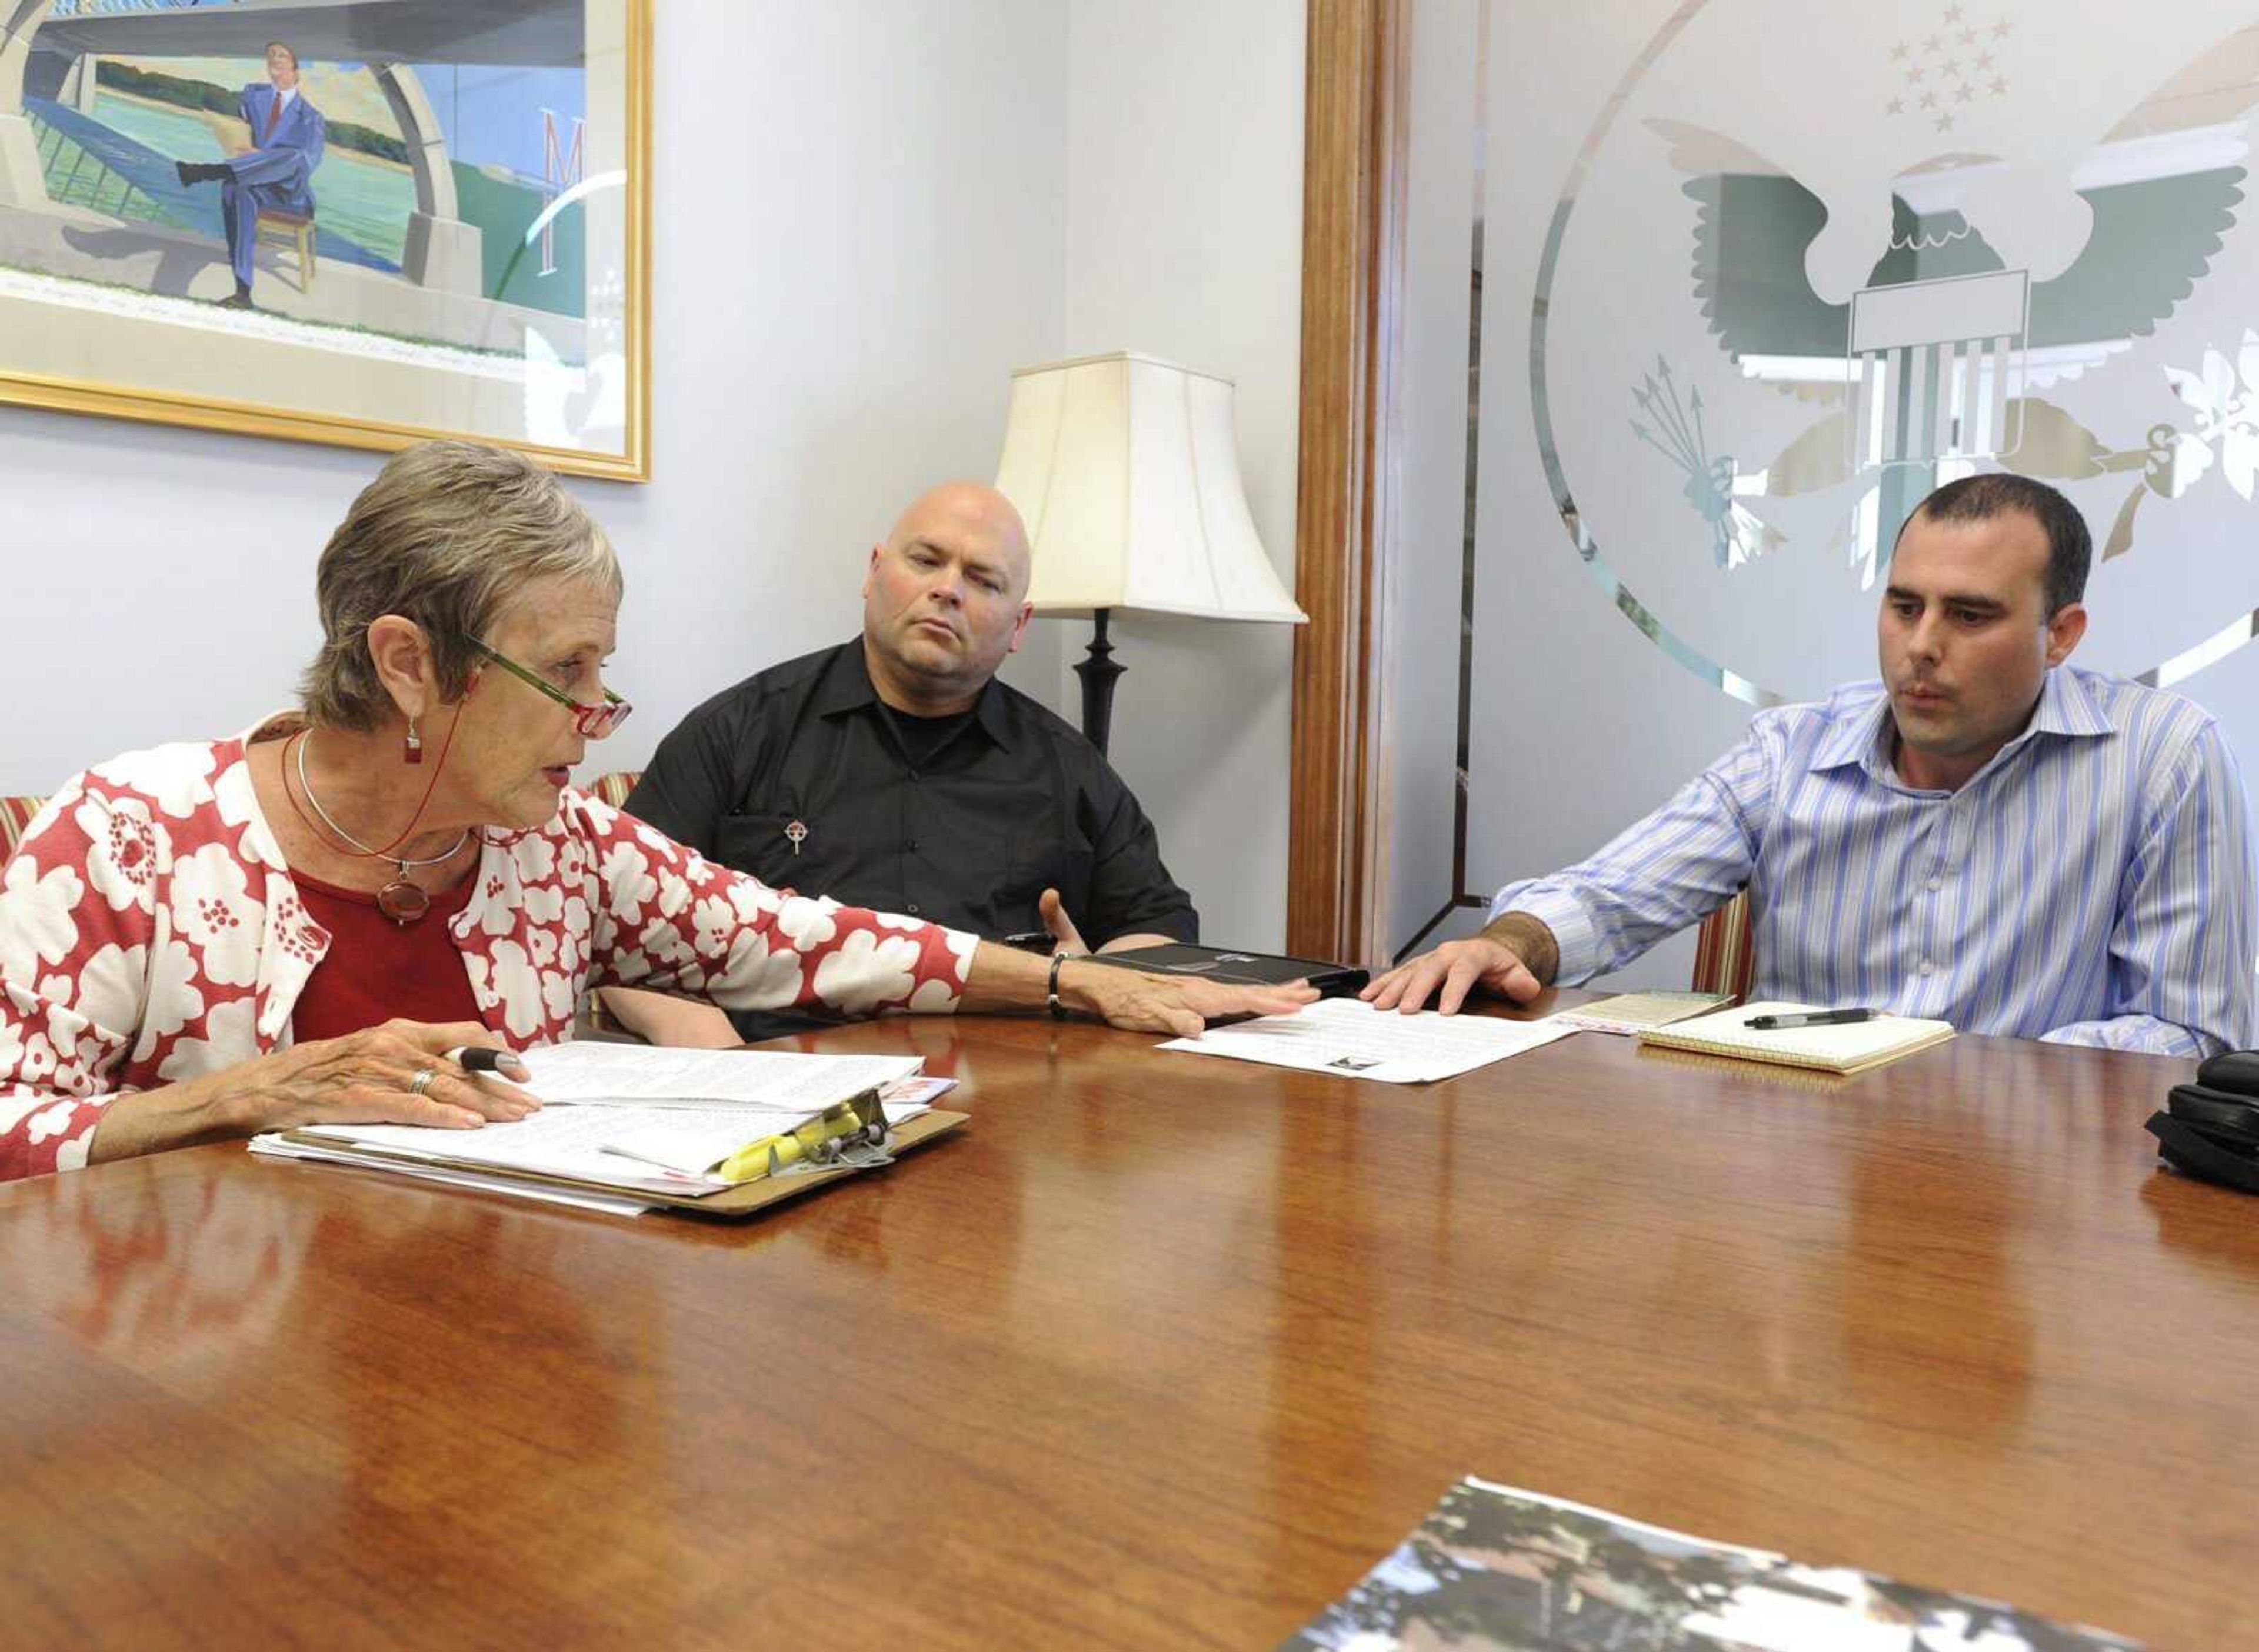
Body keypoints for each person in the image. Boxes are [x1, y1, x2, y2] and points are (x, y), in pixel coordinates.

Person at [0, 442, 1310, 1183]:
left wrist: (1076, 989)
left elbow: (805, 938)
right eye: (564, 671)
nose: (598, 712)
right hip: (206, 1420)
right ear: (407, 662)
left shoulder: (554, 847)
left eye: (603, 670)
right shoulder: (123, 841)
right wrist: (249, 1098)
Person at [1365, 473, 2257, 1056]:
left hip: (2037, 1190)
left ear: (2060, 636)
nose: (1922, 648)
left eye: (1970, 616)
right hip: (1796, 1168)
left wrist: (1951, 1075)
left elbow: (2193, 1033)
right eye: (1904, 607)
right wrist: (1507, 943)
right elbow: (1609, 894)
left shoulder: (2162, 758)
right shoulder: (1792, 751)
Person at [612, 481, 1197, 1045]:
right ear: (873, 573)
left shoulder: (1068, 769)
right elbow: (614, 922)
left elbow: (1159, 928)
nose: (948, 590)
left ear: (1019, 625)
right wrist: (697, 1035)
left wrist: (1098, 983)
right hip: (780, 1078)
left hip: (1009, 1093)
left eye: (984, 580)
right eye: (926, 561)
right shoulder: (742, 731)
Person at [175, 41, 325, 311]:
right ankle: (243, 292)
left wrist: (259, 157)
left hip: (290, 193)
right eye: (271, 56)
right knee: (236, 190)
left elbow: (309, 165)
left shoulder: (311, 117)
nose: (275, 59)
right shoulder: (254, 97)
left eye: (282, 55)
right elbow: (241, 128)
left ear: (297, 67)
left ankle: (206, 172)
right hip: (254, 185)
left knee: (295, 157)